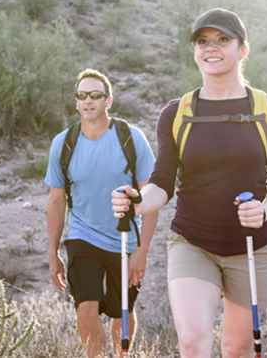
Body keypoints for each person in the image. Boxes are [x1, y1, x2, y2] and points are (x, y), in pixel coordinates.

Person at [112, 8, 267, 358]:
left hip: (252, 245)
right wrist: (137, 201)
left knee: (236, 348)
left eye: (222, 40)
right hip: (193, 242)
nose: (211, 48)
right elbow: (162, 183)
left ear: (243, 49)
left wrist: (263, 210)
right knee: (193, 343)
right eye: (203, 41)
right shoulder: (176, 113)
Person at [45, 68, 157, 358]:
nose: (88, 101)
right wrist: (53, 252)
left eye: (95, 95)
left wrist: (143, 250)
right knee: (86, 307)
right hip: (82, 236)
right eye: (82, 96)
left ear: (108, 100)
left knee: (122, 312)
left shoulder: (131, 138)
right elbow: (56, 201)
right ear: (76, 101)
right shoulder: (63, 143)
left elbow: (151, 199)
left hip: (124, 240)